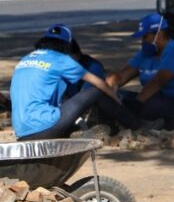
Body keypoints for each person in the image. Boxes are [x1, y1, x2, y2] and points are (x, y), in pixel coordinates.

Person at [9, 24, 138, 140]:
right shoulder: (60, 58)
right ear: (68, 45)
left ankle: (75, 131)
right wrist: (117, 100)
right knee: (96, 90)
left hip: (21, 132)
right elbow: (99, 83)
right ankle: (137, 124)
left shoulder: (25, 59)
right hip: (45, 127)